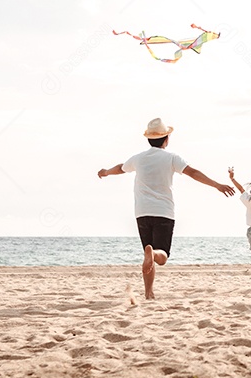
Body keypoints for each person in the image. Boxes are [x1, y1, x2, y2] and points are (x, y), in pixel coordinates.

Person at [98, 118, 234, 299]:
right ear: (166, 139)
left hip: (142, 212)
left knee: (148, 257)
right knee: (161, 256)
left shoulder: (138, 158)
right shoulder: (171, 158)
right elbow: (193, 172)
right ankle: (152, 254)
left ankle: (149, 292)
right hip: (163, 212)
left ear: (149, 139)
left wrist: (105, 172)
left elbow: (120, 168)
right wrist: (217, 185)